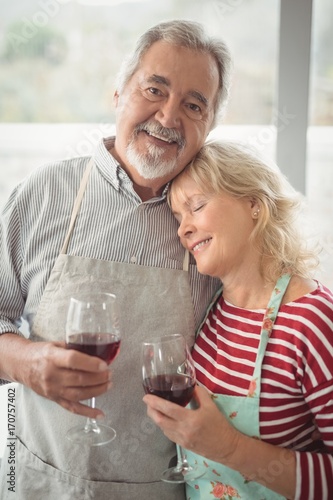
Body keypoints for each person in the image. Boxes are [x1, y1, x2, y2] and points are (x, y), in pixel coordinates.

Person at [0, 21, 232, 499]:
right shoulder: (42, 193)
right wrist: (26, 361)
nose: (168, 117)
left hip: (160, 489)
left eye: (194, 105)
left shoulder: (214, 222)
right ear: (119, 93)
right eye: (154, 89)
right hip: (43, 482)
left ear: (209, 126)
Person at [143, 140, 333, 499]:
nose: (183, 229)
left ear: (254, 205)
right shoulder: (212, 308)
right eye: (178, 217)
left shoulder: (312, 320)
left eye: (196, 206)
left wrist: (229, 447)